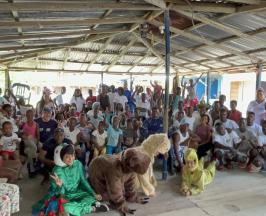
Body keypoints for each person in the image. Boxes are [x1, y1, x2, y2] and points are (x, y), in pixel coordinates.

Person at [33, 144, 109, 215]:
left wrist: (93, 194)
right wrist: (60, 186)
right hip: (65, 195)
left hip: (77, 192)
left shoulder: (78, 164)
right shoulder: (57, 170)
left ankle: (75, 208)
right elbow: (60, 194)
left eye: (72, 155)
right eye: (67, 157)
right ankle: (92, 208)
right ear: (62, 157)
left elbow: (83, 181)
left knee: (91, 197)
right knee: (65, 207)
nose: (71, 159)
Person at [88, 148, 150, 215]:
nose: (135, 173)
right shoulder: (114, 167)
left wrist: (132, 196)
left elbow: (130, 182)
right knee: (105, 196)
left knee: (122, 183)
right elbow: (114, 189)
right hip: (97, 176)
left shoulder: (130, 163)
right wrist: (121, 204)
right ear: (129, 164)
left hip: (110, 169)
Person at [22, 109, 39, 177]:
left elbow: (38, 135)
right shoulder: (24, 124)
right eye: (28, 115)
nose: (30, 116)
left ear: (33, 115)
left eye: (31, 115)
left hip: (34, 140)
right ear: (26, 115)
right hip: (27, 140)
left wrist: (37, 142)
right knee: (33, 147)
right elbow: (22, 134)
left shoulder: (36, 124)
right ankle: (35, 161)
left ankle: (31, 168)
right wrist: (26, 136)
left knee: (29, 151)